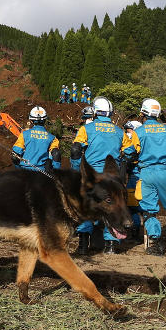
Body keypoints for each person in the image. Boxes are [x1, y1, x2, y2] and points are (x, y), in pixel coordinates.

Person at [123, 98, 166, 255]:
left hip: (147, 173)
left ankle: (156, 242)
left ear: (143, 113)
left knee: (149, 210)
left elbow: (130, 152)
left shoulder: (139, 132)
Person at [70, 96, 126, 255]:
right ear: (110, 113)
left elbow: (75, 150)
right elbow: (130, 152)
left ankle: (82, 245)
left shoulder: (86, 129)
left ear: (94, 112)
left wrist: (76, 170)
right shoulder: (119, 131)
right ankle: (110, 246)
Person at [11, 106, 61, 172]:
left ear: (31, 121)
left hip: (24, 172)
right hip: (41, 173)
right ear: (45, 120)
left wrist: (19, 170)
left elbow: (15, 155)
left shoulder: (24, 134)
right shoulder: (52, 138)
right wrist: (55, 173)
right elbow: (56, 154)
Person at [123, 121, 143, 241]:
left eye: (129, 129)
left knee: (133, 206)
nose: (127, 132)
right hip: (142, 175)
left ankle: (136, 232)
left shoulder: (132, 142)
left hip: (135, 176)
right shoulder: (145, 141)